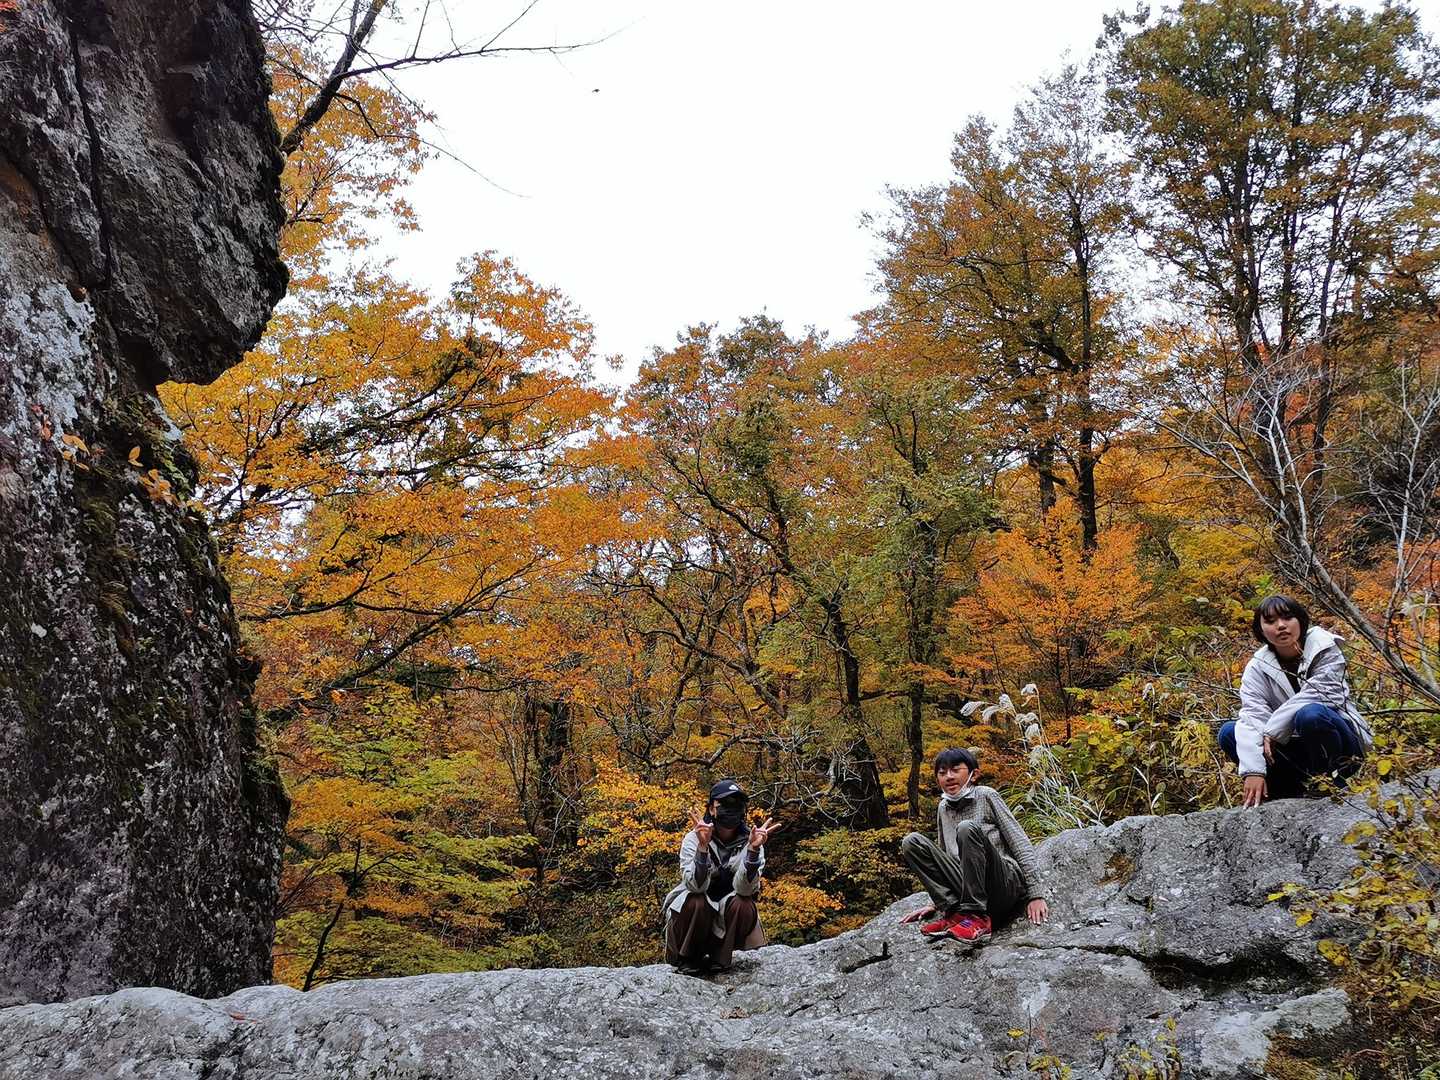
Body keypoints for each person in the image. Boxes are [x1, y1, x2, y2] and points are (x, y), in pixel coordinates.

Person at [1220, 594, 1372, 808]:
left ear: (1300, 620)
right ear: (1261, 630)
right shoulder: (1257, 667)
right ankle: (1281, 791)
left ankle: (1330, 781)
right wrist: (1253, 770)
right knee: (1229, 732)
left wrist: (1273, 730)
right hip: (1296, 748)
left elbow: (1323, 693)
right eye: (1270, 621)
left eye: (1287, 617)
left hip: (1340, 744)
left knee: (1310, 715)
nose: (1281, 626)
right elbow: (1253, 715)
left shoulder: (1324, 647)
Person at [898, 747, 1049, 944]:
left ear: (974, 774)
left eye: (955, 770)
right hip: (967, 888)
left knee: (966, 828)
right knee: (912, 842)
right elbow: (944, 855)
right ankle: (955, 914)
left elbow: (1019, 842)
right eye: (942, 773)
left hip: (1002, 885)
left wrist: (1035, 894)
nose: (949, 777)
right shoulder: (943, 808)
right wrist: (934, 903)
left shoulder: (986, 795)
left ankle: (977, 918)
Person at [662, 779, 782, 973]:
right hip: (693, 917)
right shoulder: (693, 839)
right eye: (725, 804)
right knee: (696, 900)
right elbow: (695, 886)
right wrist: (703, 848)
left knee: (744, 903)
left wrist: (752, 850)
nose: (731, 809)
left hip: (729, 914)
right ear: (711, 809)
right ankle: (688, 958)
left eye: (738, 804)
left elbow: (745, 890)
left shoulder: (754, 841)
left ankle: (722, 958)